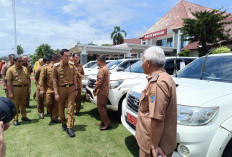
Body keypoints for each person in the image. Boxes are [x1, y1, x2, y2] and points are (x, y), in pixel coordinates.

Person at [135, 46, 177, 157]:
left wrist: (154, 145)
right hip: (161, 140)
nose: (141, 64)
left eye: (142, 60)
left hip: (153, 144)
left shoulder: (157, 83)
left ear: (148, 63)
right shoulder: (166, 77)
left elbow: (157, 118)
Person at [52, 49, 78, 137]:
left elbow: (75, 78)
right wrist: (56, 93)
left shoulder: (72, 66)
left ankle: (69, 127)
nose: (68, 57)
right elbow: (54, 81)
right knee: (61, 107)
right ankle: (63, 122)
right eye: (66, 56)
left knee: (71, 108)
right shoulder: (56, 67)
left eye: (69, 56)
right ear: (61, 56)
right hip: (61, 89)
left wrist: (76, 89)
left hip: (71, 89)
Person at [5, 56, 31, 125]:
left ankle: (24, 116)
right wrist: (10, 92)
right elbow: (8, 82)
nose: (21, 62)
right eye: (19, 61)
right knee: (15, 104)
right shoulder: (10, 69)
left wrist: (28, 88)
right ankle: (15, 119)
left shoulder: (25, 69)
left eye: (22, 61)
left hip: (24, 88)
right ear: (15, 61)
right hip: (15, 88)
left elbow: (28, 78)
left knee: (23, 103)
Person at [39, 55, 61, 123]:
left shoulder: (59, 67)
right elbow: (42, 79)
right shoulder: (46, 67)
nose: (60, 61)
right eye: (59, 60)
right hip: (48, 88)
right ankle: (51, 113)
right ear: (55, 60)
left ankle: (54, 117)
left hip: (57, 89)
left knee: (56, 104)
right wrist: (42, 89)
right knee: (47, 103)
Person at [93, 55, 111, 130]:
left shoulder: (102, 69)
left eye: (97, 61)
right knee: (103, 107)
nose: (97, 62)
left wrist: (95, 90)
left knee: (101, 108)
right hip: (105, 90)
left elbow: (99, 82)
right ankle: (103, 121)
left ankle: (107, 124)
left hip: (102, 91)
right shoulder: (106, 68)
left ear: (100, 61)